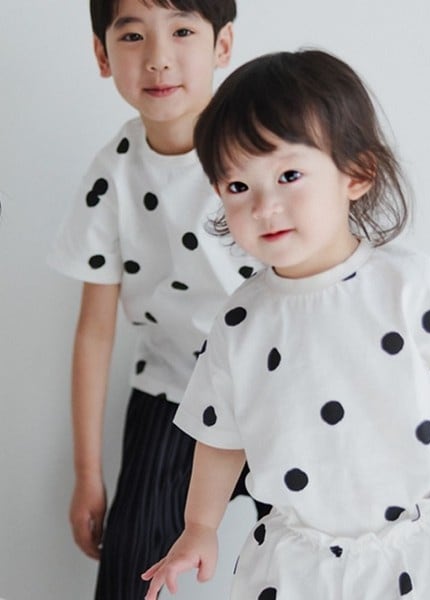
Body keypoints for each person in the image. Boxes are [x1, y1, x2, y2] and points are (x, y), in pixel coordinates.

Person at [142, 49, 430, 600]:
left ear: (356, 173)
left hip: (424, 553)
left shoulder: (411, 288)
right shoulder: (242, 320)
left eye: (289, 175)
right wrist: (200, 526)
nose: (264, 206)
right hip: (300, 566)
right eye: (238, 186)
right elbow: (220, 435)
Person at [48, 1, 270, 598]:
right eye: (132, 36)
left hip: (277, 386)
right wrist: (88, 473)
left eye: (182, 31)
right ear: (102, 55)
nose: (158, 58)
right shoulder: (113, 174)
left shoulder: (263, 154)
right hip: (173, 394)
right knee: (130, 572)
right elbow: (95, 331)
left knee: (314, 559)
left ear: (223, 45)